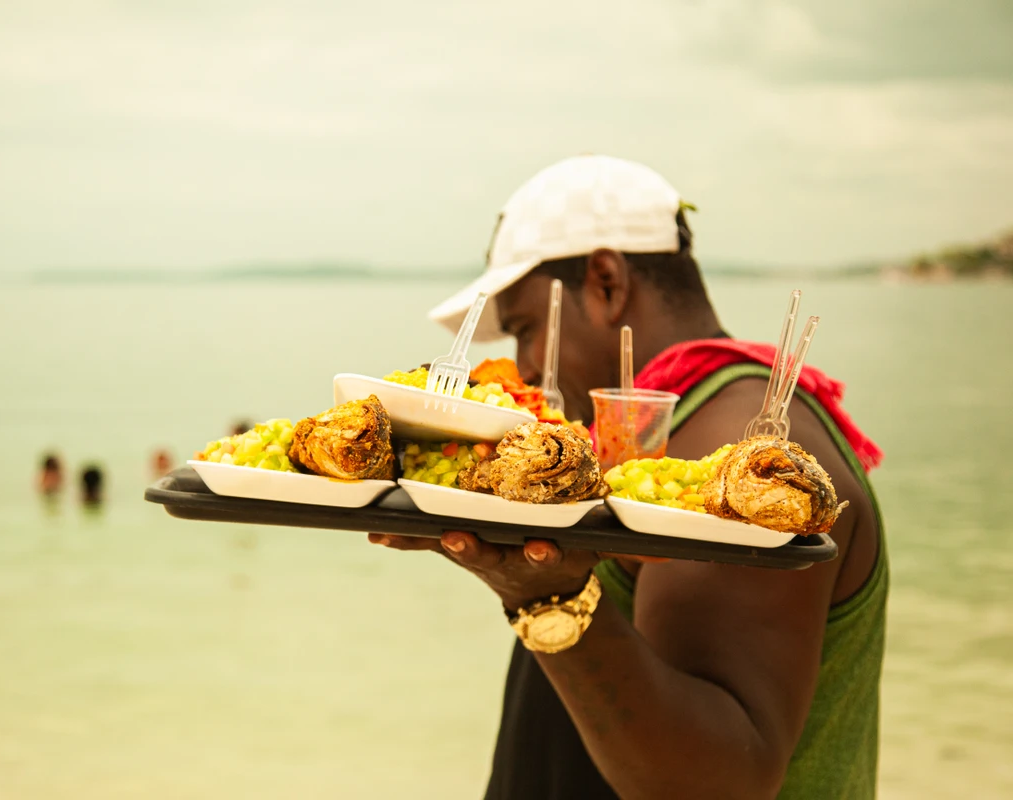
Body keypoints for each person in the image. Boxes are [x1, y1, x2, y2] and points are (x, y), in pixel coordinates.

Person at [370, 155, 887, 799]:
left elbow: (719, 781)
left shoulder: (733, 457)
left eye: (526, 330)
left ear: (606, 282)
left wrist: (544, 592)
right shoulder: (664, 436)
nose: (523, 368)